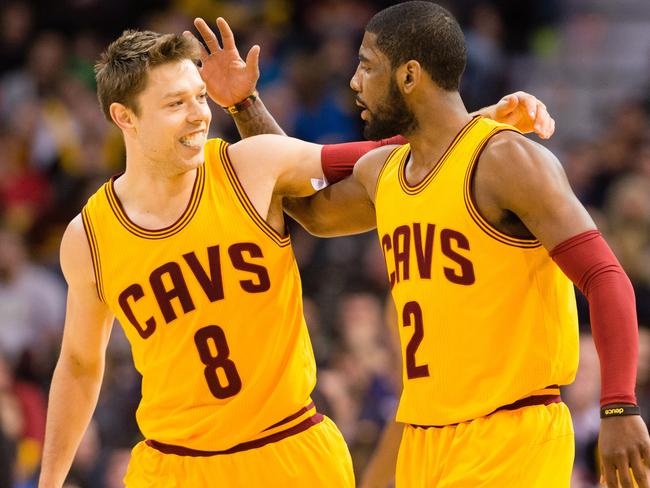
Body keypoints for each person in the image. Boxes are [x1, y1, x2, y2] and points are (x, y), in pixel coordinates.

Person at [37, 20, 554, 488]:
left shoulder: (250, 165)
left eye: (199, 97)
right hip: (172, 465)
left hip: (287, 449)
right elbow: (81, 364)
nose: (199, 115)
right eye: (176, 104)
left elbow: (379, 155)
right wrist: (50, 482)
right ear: (123, 117)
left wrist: (476, 120)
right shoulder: (88, 237)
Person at [276, 3, 650, 487]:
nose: (353, 81)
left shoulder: (505, 159)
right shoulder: (386, 170)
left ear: (409, 75)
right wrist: (244, 106)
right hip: (426, 436)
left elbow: (604, 276)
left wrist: (618, 404)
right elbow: (306, 203)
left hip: (510, 430)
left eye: (367, 65)